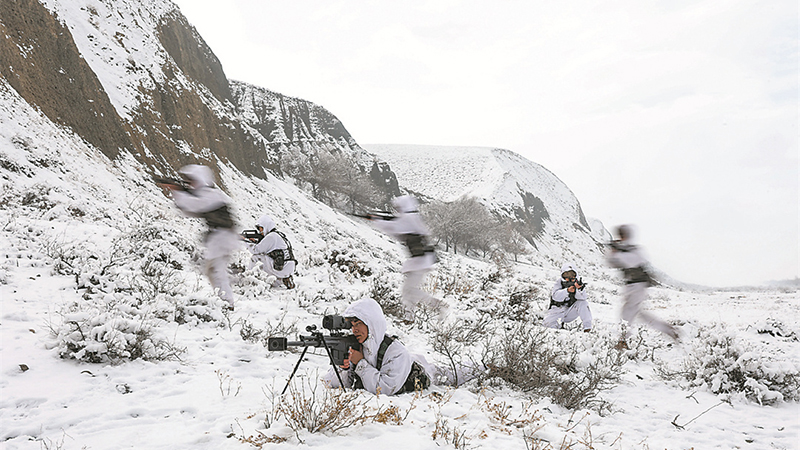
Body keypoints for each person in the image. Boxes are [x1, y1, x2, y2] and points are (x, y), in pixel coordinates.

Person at [159, 164, 239, 310]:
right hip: (220, 238)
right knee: (213, 271)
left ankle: (227, 303)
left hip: (223, 238)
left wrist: (177, 191)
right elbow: (189, 210)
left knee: (217, 272)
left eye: (192, 181)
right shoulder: (207, 194)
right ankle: (224, 301)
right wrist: (180, 192)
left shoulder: (210, 194)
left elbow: (193, 206)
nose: (190, 184)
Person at [322, 298, 432, 395]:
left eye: (358, 324)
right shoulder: (357, 346)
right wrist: (343, 368)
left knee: (437, 373)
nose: (354, 330)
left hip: (420, 372)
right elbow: (332, 382)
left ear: (371, 324)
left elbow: (385, 389)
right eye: (352, 325)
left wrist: (360, 363)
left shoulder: (396, 352)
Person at [366, 195, 447, 323]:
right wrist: (380, 219)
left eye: (399, 207)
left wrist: (377, 219)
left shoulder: (409, 218)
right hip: (420, 260)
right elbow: (396, 232)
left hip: (420, 261)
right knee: (408, 291)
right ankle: (409, 317)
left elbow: (394, 227)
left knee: (409, 290)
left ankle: (437, 305)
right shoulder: (411, 218)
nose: (397, 210)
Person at [605, 224, 679, 348]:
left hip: (637, 285)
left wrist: (617, 251)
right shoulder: (625, 249)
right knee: (639, 314)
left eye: (622, 235)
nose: (620, 237)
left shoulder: (634, 250)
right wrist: (614, 251)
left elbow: (629, 261)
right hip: (633, 286)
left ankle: (623, 341)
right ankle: (669, 330)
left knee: (627, 313)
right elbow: (611, 262)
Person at [244, 214, 296, 289]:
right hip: (288, 266)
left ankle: (248, 276)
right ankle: (282, 280)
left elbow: (255, 250)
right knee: (263, 266)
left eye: (261, 228)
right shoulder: (277, 235)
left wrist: (246, 241)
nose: (260, 232)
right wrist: (254, 242)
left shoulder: (271, 236)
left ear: (266, 226)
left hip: (281, 266)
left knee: (255, 257)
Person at [543, 263, 592, 332]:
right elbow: (555, 296)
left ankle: (587, 328)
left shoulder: (578, 283)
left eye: (572, 275)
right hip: (556, 311)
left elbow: (583, 298)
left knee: (583, 303)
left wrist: (579, 289)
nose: (569, 278)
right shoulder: (559, 283)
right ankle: (560, 329)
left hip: (569, 312)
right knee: (547, 326)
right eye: (566, 275)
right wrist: (567, 291)